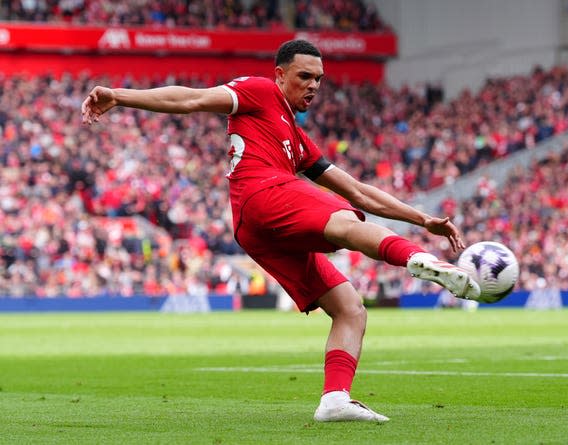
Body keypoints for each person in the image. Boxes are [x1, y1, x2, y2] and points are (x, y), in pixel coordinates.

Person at [81, 39, 481, 423]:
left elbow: (359, 191)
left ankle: (335, 400)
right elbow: (192, 99)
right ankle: (418, 260)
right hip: (263, 193)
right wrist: (119, 95)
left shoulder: (298, 139)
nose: (313, 86)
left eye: (319, 79)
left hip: (256, 230)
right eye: (305, 76)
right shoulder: (259, 92)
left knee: (350, 308)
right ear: (279, 75)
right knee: (343, 223)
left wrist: (422, 219)